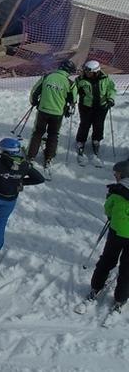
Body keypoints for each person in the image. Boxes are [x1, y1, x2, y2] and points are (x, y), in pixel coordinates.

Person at [82, 160, 129, 313]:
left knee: (107, 259)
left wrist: (112, 216)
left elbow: (108, 209)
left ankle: (96, 286)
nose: (115, 176)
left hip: (116, 232)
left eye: (117, 174)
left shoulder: (116, 191)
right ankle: (121, 298)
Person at [26, 59, 77, 169]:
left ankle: (30, 156)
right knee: (53, 135)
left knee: (38, 133)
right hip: (57, 113)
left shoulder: (47, 77)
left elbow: (35, 91)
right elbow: (73, 100)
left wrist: (34, 102)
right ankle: (49, 157)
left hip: (43, 111)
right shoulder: (70, 83)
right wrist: (68, 110)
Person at [74, 60, 117, 165]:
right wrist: (73, 98)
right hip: (86, 106)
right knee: (85, 124)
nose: (86, 73)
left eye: (89, 72)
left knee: (98, 124)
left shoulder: (105, 78)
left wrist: (110, 98)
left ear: (96, 72)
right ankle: (81, 141)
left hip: (101, 106)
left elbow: (111, 89)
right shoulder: (80, 79)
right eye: (86, 71)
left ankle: (96, 140)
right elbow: (73, 89)